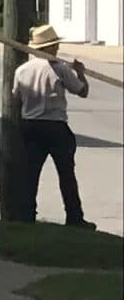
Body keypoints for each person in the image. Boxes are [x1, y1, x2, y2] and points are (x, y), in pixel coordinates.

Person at [11, 24, 96, 229]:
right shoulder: (60, 69)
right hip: (55, 127)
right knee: (66, 175)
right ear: (47, 48)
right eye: (54, 46)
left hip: (31, 126)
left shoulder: (22, 70)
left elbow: (16, 98)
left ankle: (26, 215)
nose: (57, 49)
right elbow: (82, 91)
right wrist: (80, 73)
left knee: (31, 174)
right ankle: (74, 217)